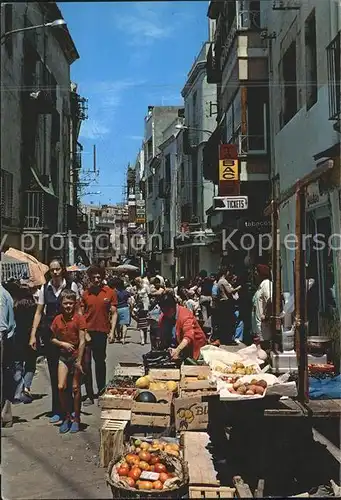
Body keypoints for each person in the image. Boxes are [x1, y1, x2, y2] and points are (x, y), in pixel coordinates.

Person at [29, 258, 79, 425]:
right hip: (51, 337)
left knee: (70, 373)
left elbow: (78, 311)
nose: (55, 272)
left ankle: (71, 409)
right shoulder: (45, 288)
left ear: (62, 270)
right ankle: (57, 410)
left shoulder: (71, 286)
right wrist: (33, 334)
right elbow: (38, 312)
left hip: (69, 336)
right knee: (53, 373)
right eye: (52, 270)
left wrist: (82, 332)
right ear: (49, 272)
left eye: (58, 269)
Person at [50, 289, 86, 433]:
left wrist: (79, 360)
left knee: (75, 388)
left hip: (76, 355)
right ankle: (66, 416)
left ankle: (76, 418)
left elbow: (83, 341)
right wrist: (62, 344)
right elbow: (51, 338)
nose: (68, 306)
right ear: (61, 304)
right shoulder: (57, 319)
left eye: (71, 303)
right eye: (65, 303)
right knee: (60, 386)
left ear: (74, 304)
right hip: (63, 357)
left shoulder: (79, 318)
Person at [81, 266, 117, 397]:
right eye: (94, 277)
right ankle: (89, 394)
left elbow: (114, 313)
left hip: (102, 332)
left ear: (102, 278)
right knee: (86, 363)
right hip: (87, 332)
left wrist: (112, 331)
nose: (96, 280)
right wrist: (84, 332)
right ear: (90, 278)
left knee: (100, 362)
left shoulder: (109, 292)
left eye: (98, 277)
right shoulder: (85, 294)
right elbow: (81, 314)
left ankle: (101, 390)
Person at [158, 292, 207, 360]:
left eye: (167, 310)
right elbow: (162, 336)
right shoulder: (163, 318)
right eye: (163, 310)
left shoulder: (185, 315)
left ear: (173, 306)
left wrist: (177, 350)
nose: (165, 313)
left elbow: (188, 336)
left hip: (195, 349)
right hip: (176, 348)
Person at [12, 283, 37, 403]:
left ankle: (19, 390)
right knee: (31, 365)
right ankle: (26, 387)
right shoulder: (33, 305)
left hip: (17, 338)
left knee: (18, 365)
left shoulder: (15, 305)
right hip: (31, 337)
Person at [1, 283, 16, 427]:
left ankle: (5, 415)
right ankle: (6, 416)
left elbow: (5, 326)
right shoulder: (6, 294)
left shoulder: (2, 295)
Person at [252, 264, 272, 349]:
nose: (255, 274)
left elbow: (270, 299)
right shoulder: (260, 285)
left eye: (256, 272)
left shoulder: (266, 284)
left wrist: (266, 315)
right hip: (258, 326)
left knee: (264, 348)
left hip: (263, 325)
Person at [110, 276, 131, 344]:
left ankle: (118, 336)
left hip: (116, 308)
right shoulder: (126, 292)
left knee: (116, 324)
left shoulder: (114, 292)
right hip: (125, 308)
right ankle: (123, 338)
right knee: (125, 324)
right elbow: (130, 301)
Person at [134, 276, 150, 345]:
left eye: (139, 282)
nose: (138, 283)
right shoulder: (137, 288)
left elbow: (149, 294)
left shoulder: (145, 286)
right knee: (141, 324)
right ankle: (142, 340)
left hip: (146, 304)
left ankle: (145, 339)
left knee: (145, 324)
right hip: (140, 306)